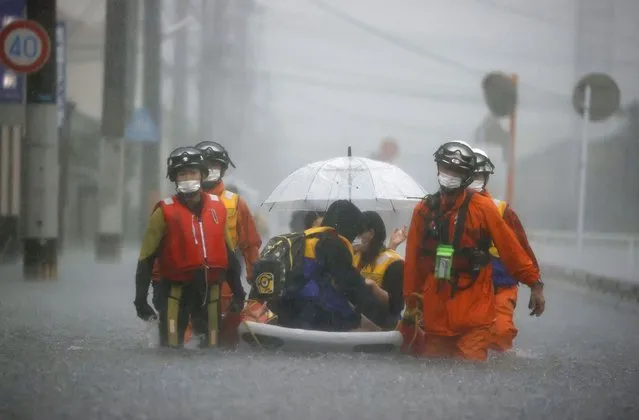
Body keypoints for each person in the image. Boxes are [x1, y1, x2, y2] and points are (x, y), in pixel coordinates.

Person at [401, 141, 545, 362]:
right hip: (436, 309)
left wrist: (534, 284)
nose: (449, 175)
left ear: (466, 176)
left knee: (472, 368)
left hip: (474, 306)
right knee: (432, 369)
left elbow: (511, 249)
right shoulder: (424, 210)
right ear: (438, 169)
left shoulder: (483, 208)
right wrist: (411, 301)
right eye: (446, 168)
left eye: (456, 171)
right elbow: (413, 260)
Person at [133, 147, 245, 348]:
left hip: (210, 293)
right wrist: (140, 300)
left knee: (212, 348)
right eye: (182, 174)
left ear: (202, 175)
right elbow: (146, 259)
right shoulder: (164, 212)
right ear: (174, 178)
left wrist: (238, 293)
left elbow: (229, 254)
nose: (187, 178)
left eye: (192, 172)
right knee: (171, 347)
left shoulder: (218, 208)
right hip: (175, 294)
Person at [263, 200, 386, 332]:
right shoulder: (334, 243)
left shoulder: (307, 238)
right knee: (355, 319)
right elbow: (352, 286)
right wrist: (383, 317)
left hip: (285, 309)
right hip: (312, 315)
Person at [470, 148, 541, 352]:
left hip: (502, 285)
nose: (473, 179)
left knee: (500, 333)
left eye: (478, 175)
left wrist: (536, 286)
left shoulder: (501, 210)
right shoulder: (447, 208)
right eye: (469, 174)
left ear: (485, 178)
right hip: (466, 287)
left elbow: (522, 250)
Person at [194, 141, 262, 313]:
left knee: (224, 334)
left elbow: (250, 246)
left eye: (214, 165)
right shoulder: (179, 203)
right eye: (205, 165)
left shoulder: (236, 203)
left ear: (223, 170)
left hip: (224, 285)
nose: (209, 170)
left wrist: (256, 283)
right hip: (187, 282)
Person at [352, 211, 404, 329]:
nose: (355, 238)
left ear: (371, 233)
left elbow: (396, 306)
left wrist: (374, 288)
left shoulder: (394, 262)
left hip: (383, 326)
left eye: (359, 233)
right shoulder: (354, 256)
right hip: (358, 323)